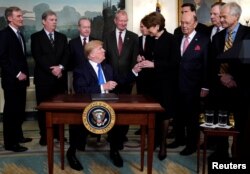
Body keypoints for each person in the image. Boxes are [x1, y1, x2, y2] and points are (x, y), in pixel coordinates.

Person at [67, 40, 141, 170]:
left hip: (109, 106)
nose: (104, 51)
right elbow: (80, 89)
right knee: (76, 124)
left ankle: (114, 150)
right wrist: (103, 86)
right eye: (100, 49)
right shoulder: (81, 69)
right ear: (91, 55)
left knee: (119, 120)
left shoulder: (107, 67)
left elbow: (122, 81)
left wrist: (134, 71)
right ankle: (71, 153)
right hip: (88, 107)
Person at [209, 2, 250, 159]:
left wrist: (233, 77)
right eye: (220, 16)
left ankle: (239, 157)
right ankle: (221, 156)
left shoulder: (248, 34)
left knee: (241, 127)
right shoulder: (218, 37)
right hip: (220, 89)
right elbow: (213, 63)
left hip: (241, 89)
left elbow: (247, 63)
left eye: (224, 16)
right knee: (221, 125)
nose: (221, 19)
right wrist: (221, 77)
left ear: (236, 16)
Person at [168, 12, 210, 156]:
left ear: (195, 24)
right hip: (176, 85)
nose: (184, 26)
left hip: (194, 87)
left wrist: (205, 86)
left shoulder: (204, 41)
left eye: (187, 23)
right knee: (178, 115)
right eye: (182, 23)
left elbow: (206, 65)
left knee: (192, 118)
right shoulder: (177, 38)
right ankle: (179, 140)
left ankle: (192, 144)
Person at [139, 12, 180, 160]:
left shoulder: (172, 40)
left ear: (157, 26)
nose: (147, 31)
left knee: (165, 114)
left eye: (149, 28)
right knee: (152, 114)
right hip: (151, 84)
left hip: (167, 84)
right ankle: (153, 142)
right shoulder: (150, 39)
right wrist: (143, 58)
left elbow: (175, 63)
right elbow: (149, 57)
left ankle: (162, 145)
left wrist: (154, 64)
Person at [31, 10, 69, 146]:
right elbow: (38, 57)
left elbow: (66, 55)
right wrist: (52, 70)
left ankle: (59, 135)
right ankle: (44, 135)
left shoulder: (62, 37)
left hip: (59, 80)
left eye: (55, 20)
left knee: (59, 109)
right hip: (44, 80)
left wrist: (61, 67)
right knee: (44, 109)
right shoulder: (36, 37)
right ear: (43, 21)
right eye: (51, 20)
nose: (54, 22)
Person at [103, 10, 139, 143]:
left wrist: (131, 77)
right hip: (110, 79)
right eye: (121, 20)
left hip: (127, 80)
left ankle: (122, 134)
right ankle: (111, 134)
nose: (123, 23)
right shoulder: (107, 36)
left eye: (125, 20)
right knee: (110, 108)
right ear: (115, 21)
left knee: (125, 108)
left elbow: (134, 59)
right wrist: (107, 77)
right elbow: (104, 59)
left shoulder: (134, 37)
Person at [0, 6, 32, 152]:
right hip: (12, 81)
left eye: (21, 16)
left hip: (21, 82)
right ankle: (10, 143)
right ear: (9, 18)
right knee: (11, 113)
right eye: (18, 16)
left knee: (19, 110)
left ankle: (18, 136)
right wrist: (17, 74)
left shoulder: (19, 34)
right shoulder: (4, 35)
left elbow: (20, 58)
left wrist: (23, 76)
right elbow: (3, 59)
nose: (21, 18)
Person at [134, 18, 155, 135]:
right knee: (141, 100)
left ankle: (150, 126)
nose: (142, 29)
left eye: (144, 26)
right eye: (141, 26)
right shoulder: (137, 39)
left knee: (150, 102)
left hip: (152, 76)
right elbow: (135, 54)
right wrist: (137, 57)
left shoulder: (155, 39)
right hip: (141, 75)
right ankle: (142, 126)